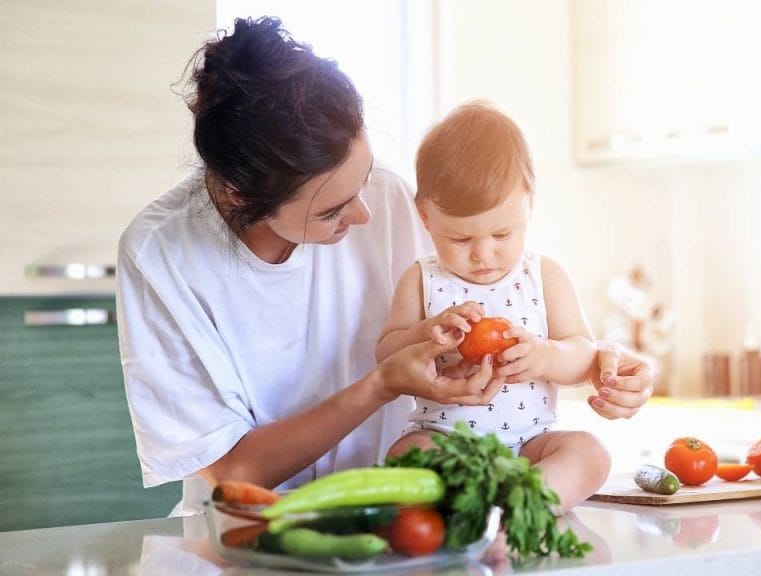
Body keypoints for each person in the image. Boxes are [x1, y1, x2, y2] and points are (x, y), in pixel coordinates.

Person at [115, 16, 654, 516]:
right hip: (261, 531)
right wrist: (384, 382)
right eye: (330, 211)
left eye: (366, 176)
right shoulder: (161, 255)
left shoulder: (395, 200)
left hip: (410, 530)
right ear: (240, 196)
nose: (367, 212)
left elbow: (537, 318)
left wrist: (611, 366)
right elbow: (234, 471)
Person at [376, 102, 610, 512]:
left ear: (529, 203)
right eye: (460, 239)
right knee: (406, 456)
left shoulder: (543, 276)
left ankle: (520, 507)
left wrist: (545, 355)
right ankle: (481, 509)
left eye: (502, 233)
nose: (483, 254)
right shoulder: (421, 278)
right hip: (448, 440)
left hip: (530, 449)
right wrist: (424, 335)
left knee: (590, 453)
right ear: (425, 217)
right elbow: (385, 355)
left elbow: (584, 358)